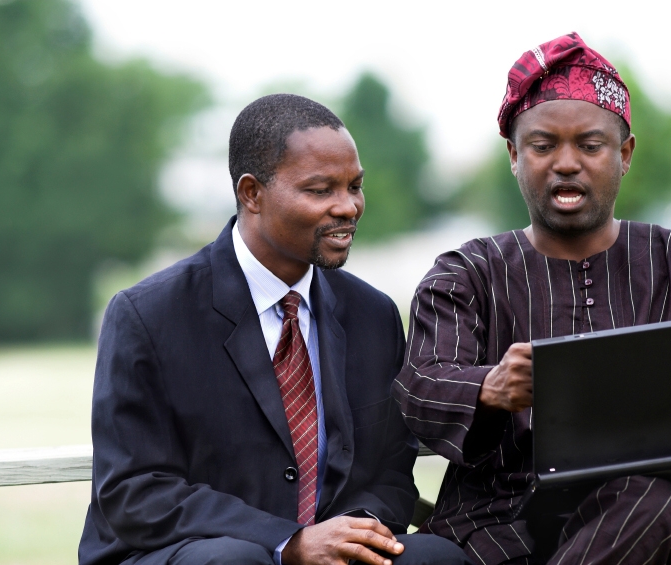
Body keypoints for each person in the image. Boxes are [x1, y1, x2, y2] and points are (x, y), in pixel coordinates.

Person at [78, 94, 471, 565]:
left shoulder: (374, 315)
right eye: (321, 190)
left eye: (354, 186)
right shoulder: (147, 316)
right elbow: (134, 491)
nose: (347, 207)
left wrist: (346, 537)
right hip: (190, 552)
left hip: (328, 550)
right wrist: (289, 542)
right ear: (251, 193)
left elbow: (390, 470)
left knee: (436, 558)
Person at [392, 33, 671, 564]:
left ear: (624, 154)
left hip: (662, 524)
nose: (566, 163)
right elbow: (419, 385)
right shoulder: (466, 275)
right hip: (499, 527)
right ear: (513, 155)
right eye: (543, 145)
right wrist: (491, 386)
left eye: (590, 146)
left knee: (644, 499)